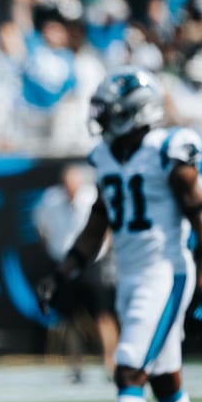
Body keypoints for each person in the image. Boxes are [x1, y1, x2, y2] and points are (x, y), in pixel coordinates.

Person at [36, 67, 202, 402]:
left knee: (129, 368)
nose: (100, 117)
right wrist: (64, 272)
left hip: (165, 275)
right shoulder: (106, 155)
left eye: (109, 110)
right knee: (164, 380)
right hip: (131, 278)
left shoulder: (168, 151)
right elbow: (99, 222)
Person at [33, 163, 119, 383]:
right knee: (68, 318)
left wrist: (103, 252)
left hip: (91, 263)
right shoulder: (50, 200)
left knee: (102, 315)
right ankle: (76, 366)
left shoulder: (92, 197)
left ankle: (111, 363)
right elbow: (41, 228)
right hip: (63, 263)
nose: (69, 190)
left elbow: (103, 229)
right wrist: (53, 253)